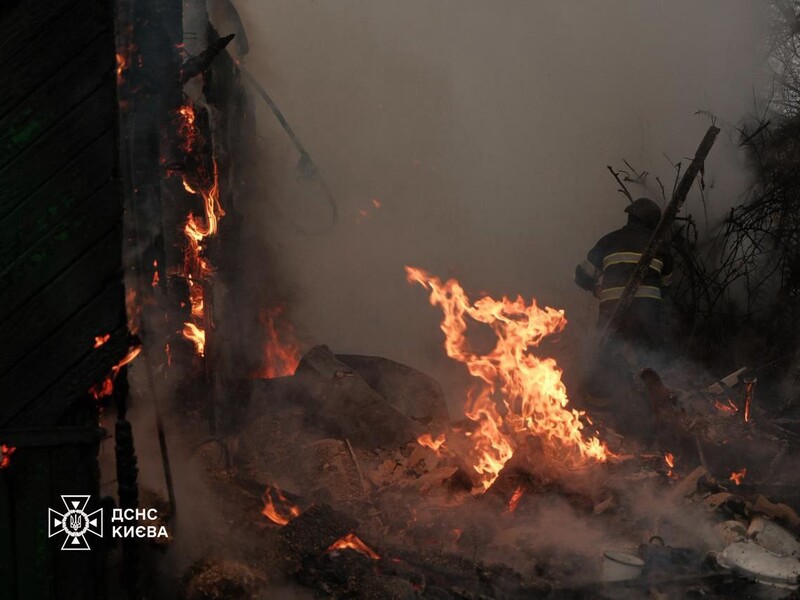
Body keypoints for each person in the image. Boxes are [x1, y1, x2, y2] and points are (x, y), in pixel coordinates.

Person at [574, 197, 674, 434]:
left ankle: (606, 424)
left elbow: (581, 275)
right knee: (650, 368)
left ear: (630, 217)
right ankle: (652, 421)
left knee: (607, 366)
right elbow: (666, 288)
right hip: (647, 319)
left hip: (613, 316)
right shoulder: (661, 247)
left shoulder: (609, 241)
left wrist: (596, 289)